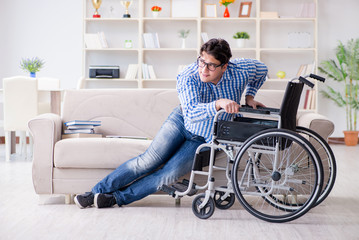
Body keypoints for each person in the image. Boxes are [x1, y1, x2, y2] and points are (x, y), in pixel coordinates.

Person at [74, 38, 267, 209]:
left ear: (225, 66)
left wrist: (250, 96)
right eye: (201, 61)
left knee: (168, 174)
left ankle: (115, 198)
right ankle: (94, 193)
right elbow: (191, 112)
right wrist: (218, 104)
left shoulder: (241, 70)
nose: (203, 69)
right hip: (182, 121)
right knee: (147, 162)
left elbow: (262, 69)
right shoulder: (188, 76)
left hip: (205, 137)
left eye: (211, 65)